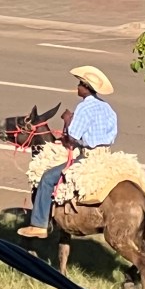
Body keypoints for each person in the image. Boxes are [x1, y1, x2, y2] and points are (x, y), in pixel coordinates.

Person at [17, 65, 117, 238]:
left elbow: (72, 137)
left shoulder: (84, 108)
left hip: (88, 157)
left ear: (86, 88)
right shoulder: (107, 108)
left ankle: (39, 224)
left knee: (47, 178)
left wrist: (68, 120)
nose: (77, 87)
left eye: (79, 84)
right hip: (106, 156)